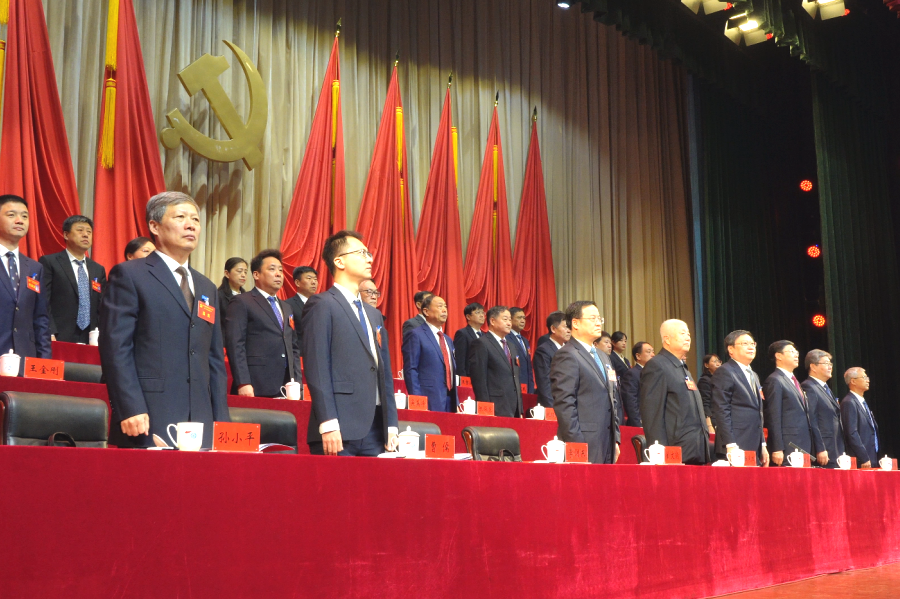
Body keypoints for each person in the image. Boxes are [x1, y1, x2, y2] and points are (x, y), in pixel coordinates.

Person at [99, 191, 230, 448]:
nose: (191, 225)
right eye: (180, 217)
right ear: (154, 226)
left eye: (195, 219)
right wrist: (129, 406)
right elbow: (116, 347)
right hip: (149, 413)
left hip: (201, 417)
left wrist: (222, 420)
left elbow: (214, 358)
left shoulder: (206, 286)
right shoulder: (130, 275)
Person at [302, 230, 397, 456]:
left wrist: (391, 424)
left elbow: (383, 371)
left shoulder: (374, 315)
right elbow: (317, 366)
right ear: (339, 261)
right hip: (339, 428)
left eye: (369, 254)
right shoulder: (322, 304)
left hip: (376, 430)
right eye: (362, 253)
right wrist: (328, 423)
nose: (369, 259)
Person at [224, 250, 302, 398]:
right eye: (272, 269)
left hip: (287, 386)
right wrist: (243, 382)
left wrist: (297, 382)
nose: (278, 274)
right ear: (256, 274)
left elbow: (293, 347)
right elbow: (235, 344)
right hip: (256, 384)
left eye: (280, 270)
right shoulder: (242, 302)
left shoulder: (287, 307)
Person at [550, 301, 620, 464]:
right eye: (592, 318)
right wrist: (577, 444)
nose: (598, 323)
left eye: (599, 319)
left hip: (607, 441)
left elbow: (613, 399)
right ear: (575, 323)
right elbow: (565, 403)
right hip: (583, 441)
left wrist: (615, 438)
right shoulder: (567, 355)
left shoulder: (603, 356)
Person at [639, 319, 710, 465]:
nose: (688, 337)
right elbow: (652, 414)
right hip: (675, 451)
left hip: (696, 448)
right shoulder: (657, 365)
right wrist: (659, 452)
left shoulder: (682, 367)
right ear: (667, 339)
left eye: (688, 334)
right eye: (682, 333)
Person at [0, 195, 51, 373]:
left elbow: (41, 318)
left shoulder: (35, 268)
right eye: (11, 215)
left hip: (25, 360)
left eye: (24, 216)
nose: (20, 220)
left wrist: (44, 361)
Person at [39, 215, 107, 344]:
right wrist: (49, 331)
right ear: (66, 235)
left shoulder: (98, 269)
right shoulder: (50, 262)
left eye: (89, 232)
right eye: (80, 230)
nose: (85, 235)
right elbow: (43, 300)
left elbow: (101, 305)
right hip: (59, 334)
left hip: (91, 336)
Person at [762, 340, 825, 466]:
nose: (796, 354)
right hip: (788, 446)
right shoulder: (775, 380)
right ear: (778, 356)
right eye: (791, 351)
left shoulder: (794, 381)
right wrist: (777, 448)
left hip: (803, 443)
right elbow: (774, 416)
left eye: (796, 351)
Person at [710, 330, 768, 466]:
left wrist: (763, 445)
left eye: (752, 344)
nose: (751, 347)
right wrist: (730, 444)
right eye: (745, 344)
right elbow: (721, 409)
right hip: (734, 445)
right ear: (731, 349)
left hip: (754, 444)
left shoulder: (753, 375)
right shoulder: (725, 371)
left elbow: (757, 413)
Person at [402, 295, 457, 412]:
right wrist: (417, 399)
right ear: (426, 311)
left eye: (445, 306)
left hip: (450, 401)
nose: (444, 310)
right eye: (440, 306)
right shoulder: (416, 335)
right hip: (428, 398)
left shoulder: (448, 340)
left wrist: (456, 401)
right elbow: (411, 369)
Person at [467, 305, 523, 418]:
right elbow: (479, 380)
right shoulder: (481, 344)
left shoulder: (512, 346)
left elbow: (515, 377)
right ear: (492, 321)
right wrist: (485, 407)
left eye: (510, 320)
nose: (509, 323)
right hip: (495, 406)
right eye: (505, 319)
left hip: (514, 407)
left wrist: (520, 408)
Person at [801, 349, 842, 468]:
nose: (830, 367)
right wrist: (820, 448)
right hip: (825, 448)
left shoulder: (825, 388)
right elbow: (812, 420)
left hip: (835, 445)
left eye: (830, 364)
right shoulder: (809, 386)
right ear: (813, 366)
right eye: (826, 363)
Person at [840, 367, 879, 468]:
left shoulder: (861, 401)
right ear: (853, 381)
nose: (868, 380)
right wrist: (863, 457)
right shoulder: (849, 402)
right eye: (864, 377)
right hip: (861, 460)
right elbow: (851, 433)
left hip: (871, 456)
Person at [533, 311, 570, 408]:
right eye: (566, 327)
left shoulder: (570, 349)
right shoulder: (543, 350)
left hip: (569, 403)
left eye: (570, 327)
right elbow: (544, 382)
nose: (569, 330)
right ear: (553, 329)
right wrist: (551, 407)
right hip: (553, 403)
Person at [619, 341, 654, 427]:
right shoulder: (632, 374)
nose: (653, 355)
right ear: (638, 356)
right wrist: (638, 423)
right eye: (648, 352)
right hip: (641, 422)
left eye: (653, 352)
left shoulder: (654, 373)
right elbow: (630, 401)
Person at [506, 307, 535, 394]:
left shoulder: (525, 340)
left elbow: (528, 366)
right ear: (510, 320)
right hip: (513, 387)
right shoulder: (506, 338)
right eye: (519, 318)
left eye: (524, 318)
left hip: (527, 385)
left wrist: (531, 388)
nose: (523, 321)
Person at [453, 302, 485, 377]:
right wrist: (463, 378)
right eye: (478, 312)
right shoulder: (462, 334)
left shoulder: (485, 336)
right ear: (468, 317)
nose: (482, 315)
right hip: (469, 377)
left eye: (483, 312)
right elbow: (460, 360)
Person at [697, 354, 722, 434]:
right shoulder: (705, 380)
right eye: (714, 361)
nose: (718, 364)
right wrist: (709, 425)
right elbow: (704, 404)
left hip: (721, 418)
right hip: (712, 420)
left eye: (719, 361)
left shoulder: (721, 379)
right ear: (706, 365)